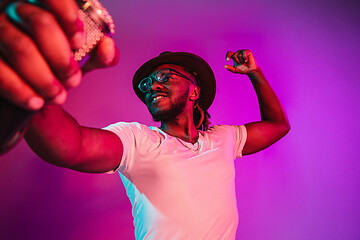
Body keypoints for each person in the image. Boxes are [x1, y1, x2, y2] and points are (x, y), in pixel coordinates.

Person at [0, 0, 290, 239]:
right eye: (146, 83)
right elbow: (72, 146)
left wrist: (255, 73)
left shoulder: (223, 139)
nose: (152, 85)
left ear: (194, 91)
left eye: (165, 77)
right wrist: (36, 89)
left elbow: (278, 126)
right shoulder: (139, 140)